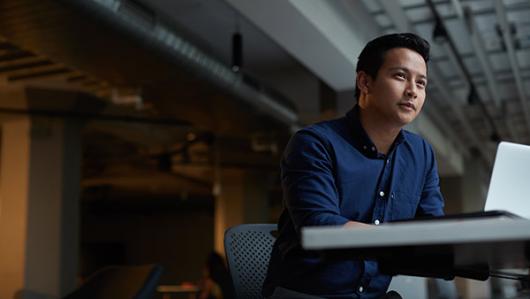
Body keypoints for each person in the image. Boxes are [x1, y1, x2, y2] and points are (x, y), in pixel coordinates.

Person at [262, 33, 445, 299]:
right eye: (400, 76)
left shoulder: (421, 154)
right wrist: (403, 240)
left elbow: (434, 230)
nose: (412, 91)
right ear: (365, 82)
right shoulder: (314, 143)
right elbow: (320, 226)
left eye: (421, 82)